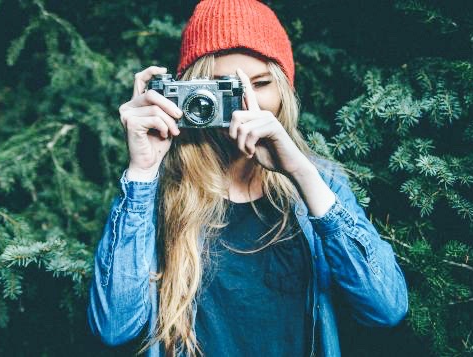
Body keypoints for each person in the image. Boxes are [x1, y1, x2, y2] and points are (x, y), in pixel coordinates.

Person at [87, 1, 408, 356]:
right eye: (223, 87)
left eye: (260, 83)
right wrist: (142, 174)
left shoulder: (319, 185)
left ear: (284, 89)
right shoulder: (157, 189)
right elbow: (114, 328)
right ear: (191, 96)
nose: (244, 103)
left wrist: (301, 172)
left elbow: (386, 308)